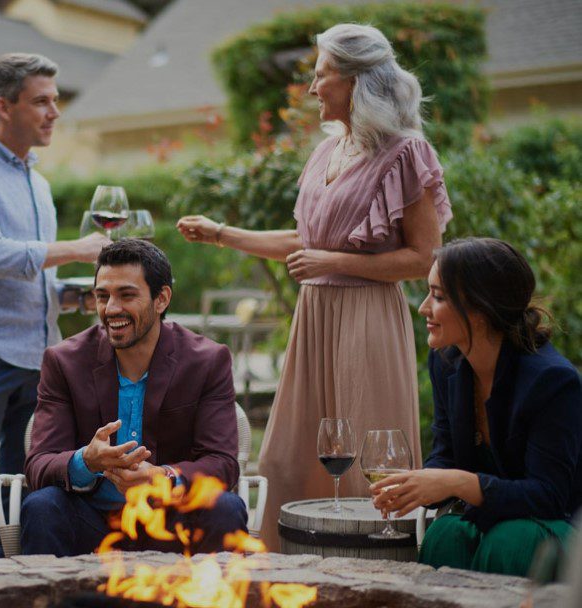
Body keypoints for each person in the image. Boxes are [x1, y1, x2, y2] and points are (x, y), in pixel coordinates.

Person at [176, 23, 453, 550]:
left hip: (367, 319)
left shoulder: (406, 152)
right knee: (290, 455)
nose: (312, 88)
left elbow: (425, 258)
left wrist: (335, 260)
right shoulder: (327, 152)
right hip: (315, 319)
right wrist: (220, 234)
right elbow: (306, 243)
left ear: (354, 81)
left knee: (366, 461)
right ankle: (289, 578)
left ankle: (375, 580)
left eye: (321, 75)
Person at [0, 53, 109, 562]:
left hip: (39, 358)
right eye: (41, 101)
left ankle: (12, 579)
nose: (54, 112)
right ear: (3, 105)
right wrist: (80, 249)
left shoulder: (39, 183)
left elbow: (38, 278)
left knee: (23, 483)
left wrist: (82, 295)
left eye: (56, 101)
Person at [21, 239, 247, 556]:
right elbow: (39, 463)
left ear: (161, 298)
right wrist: (85, 460)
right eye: (103, 296)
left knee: (225, 506)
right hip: (93, 524)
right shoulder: (64, 362)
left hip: (173, 520)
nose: (111, 309)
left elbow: (222, 463)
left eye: (126, 295)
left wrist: (161, 476)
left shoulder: (207, 361)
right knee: (41, 506)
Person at [370, 238, 582, 577]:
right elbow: (446, 454)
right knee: (446, 534)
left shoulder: (552, 381)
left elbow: (548, 496)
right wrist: (414, 484)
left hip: (556, 529)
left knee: (511, 540)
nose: (424, 307)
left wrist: (456, 482)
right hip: (492, 519)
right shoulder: (446, 362)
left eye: (438, 296)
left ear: (479, 311)